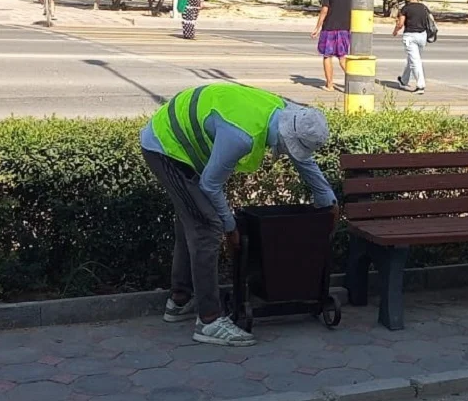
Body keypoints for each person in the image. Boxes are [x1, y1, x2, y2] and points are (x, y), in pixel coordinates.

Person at [139, 82, 339, 347]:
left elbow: (302, 158)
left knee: (190, 220)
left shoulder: (285, 112)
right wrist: (230, 227)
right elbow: (210, 184)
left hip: (180, 145)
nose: (284, 154)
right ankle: (209, 321)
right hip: (165, 148)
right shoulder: (241, 136)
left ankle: (180, 300)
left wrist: (327, 199)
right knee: (206, 227)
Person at [312, 0, 352, 90]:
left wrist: (317, 27)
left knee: (327, 56)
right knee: (342, 57)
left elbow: (324, 10)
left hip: (329, 27)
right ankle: (353, 82)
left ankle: (330, 84)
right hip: (344, 27)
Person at [393, 0, 432, 93]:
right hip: (422, 36)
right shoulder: (424, 8)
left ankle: (421, 85)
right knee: (412, 58)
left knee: (415, 61)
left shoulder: (406, 8)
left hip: (410, 36)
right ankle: (404, 81)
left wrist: (395, 31)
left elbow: (400, 24)